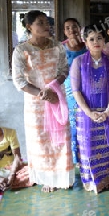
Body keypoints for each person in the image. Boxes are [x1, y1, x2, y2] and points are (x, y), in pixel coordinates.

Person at [12, 10, 74, 192]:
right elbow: (20, 81)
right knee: (41, 140)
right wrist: (42, 94)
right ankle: (48, 179)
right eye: (40, 23)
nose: (46, 26)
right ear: (29, 26)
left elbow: (64, 70)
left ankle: (63, 177)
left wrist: (53, 89)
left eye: (47, 22)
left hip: (56, 99)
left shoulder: (57, 46)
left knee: (61, 138)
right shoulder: (22, 50)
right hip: (36, 104)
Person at [71, 26, 109, 194]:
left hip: (106, 112)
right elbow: (75, 91)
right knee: (88, 147)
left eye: (99, 38)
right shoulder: (78, 62)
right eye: (92, 39)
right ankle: (91, 180)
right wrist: (89, 112)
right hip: (86, 114)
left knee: (105, 146)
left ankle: (106, 178)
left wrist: (108, 110)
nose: (96, 42)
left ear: (104, 41)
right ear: (85, 42)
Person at [62, 18, 87, 165]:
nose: (71, 30)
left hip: (87, 90)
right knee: (73, 124)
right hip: (70, 92)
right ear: (64, 31)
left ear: (80, 28)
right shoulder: (61, 48)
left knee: (86, 122)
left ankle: (86, 154)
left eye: (74, 27)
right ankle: (75, 159)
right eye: (67, 28)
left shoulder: (88, 46)